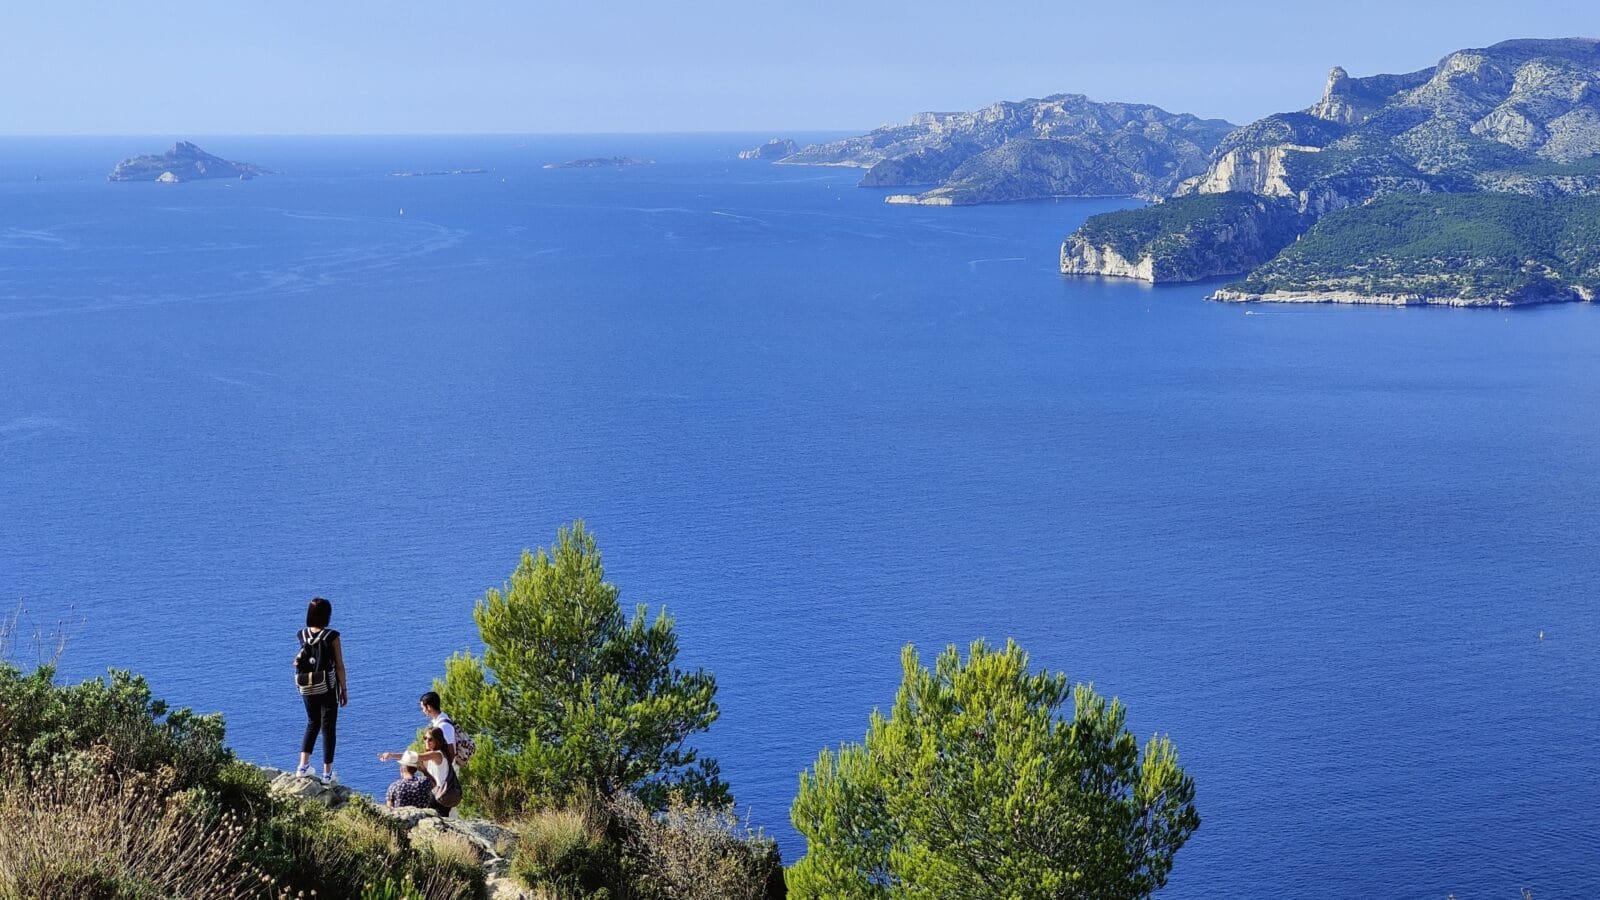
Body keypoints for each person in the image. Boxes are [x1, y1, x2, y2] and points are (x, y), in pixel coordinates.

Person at [295, 597, 347, 785]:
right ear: (327, 615)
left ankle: (303, 766)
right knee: (328, 729)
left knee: (312, 723)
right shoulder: (332, 636)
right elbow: (339, 665)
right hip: (327, 686)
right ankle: (327, 773)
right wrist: (344, 689)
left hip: (306, 686)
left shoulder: (302, 634)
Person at [379, 727, 457, 816]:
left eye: (430, 739)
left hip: (441, 795)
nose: (427, 741)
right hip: (439, 794)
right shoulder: (433, 755)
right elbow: (413, 757)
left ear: (437, 741)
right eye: (425, 738)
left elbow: (414, 757)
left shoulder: (437, 754)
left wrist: (392, 755)